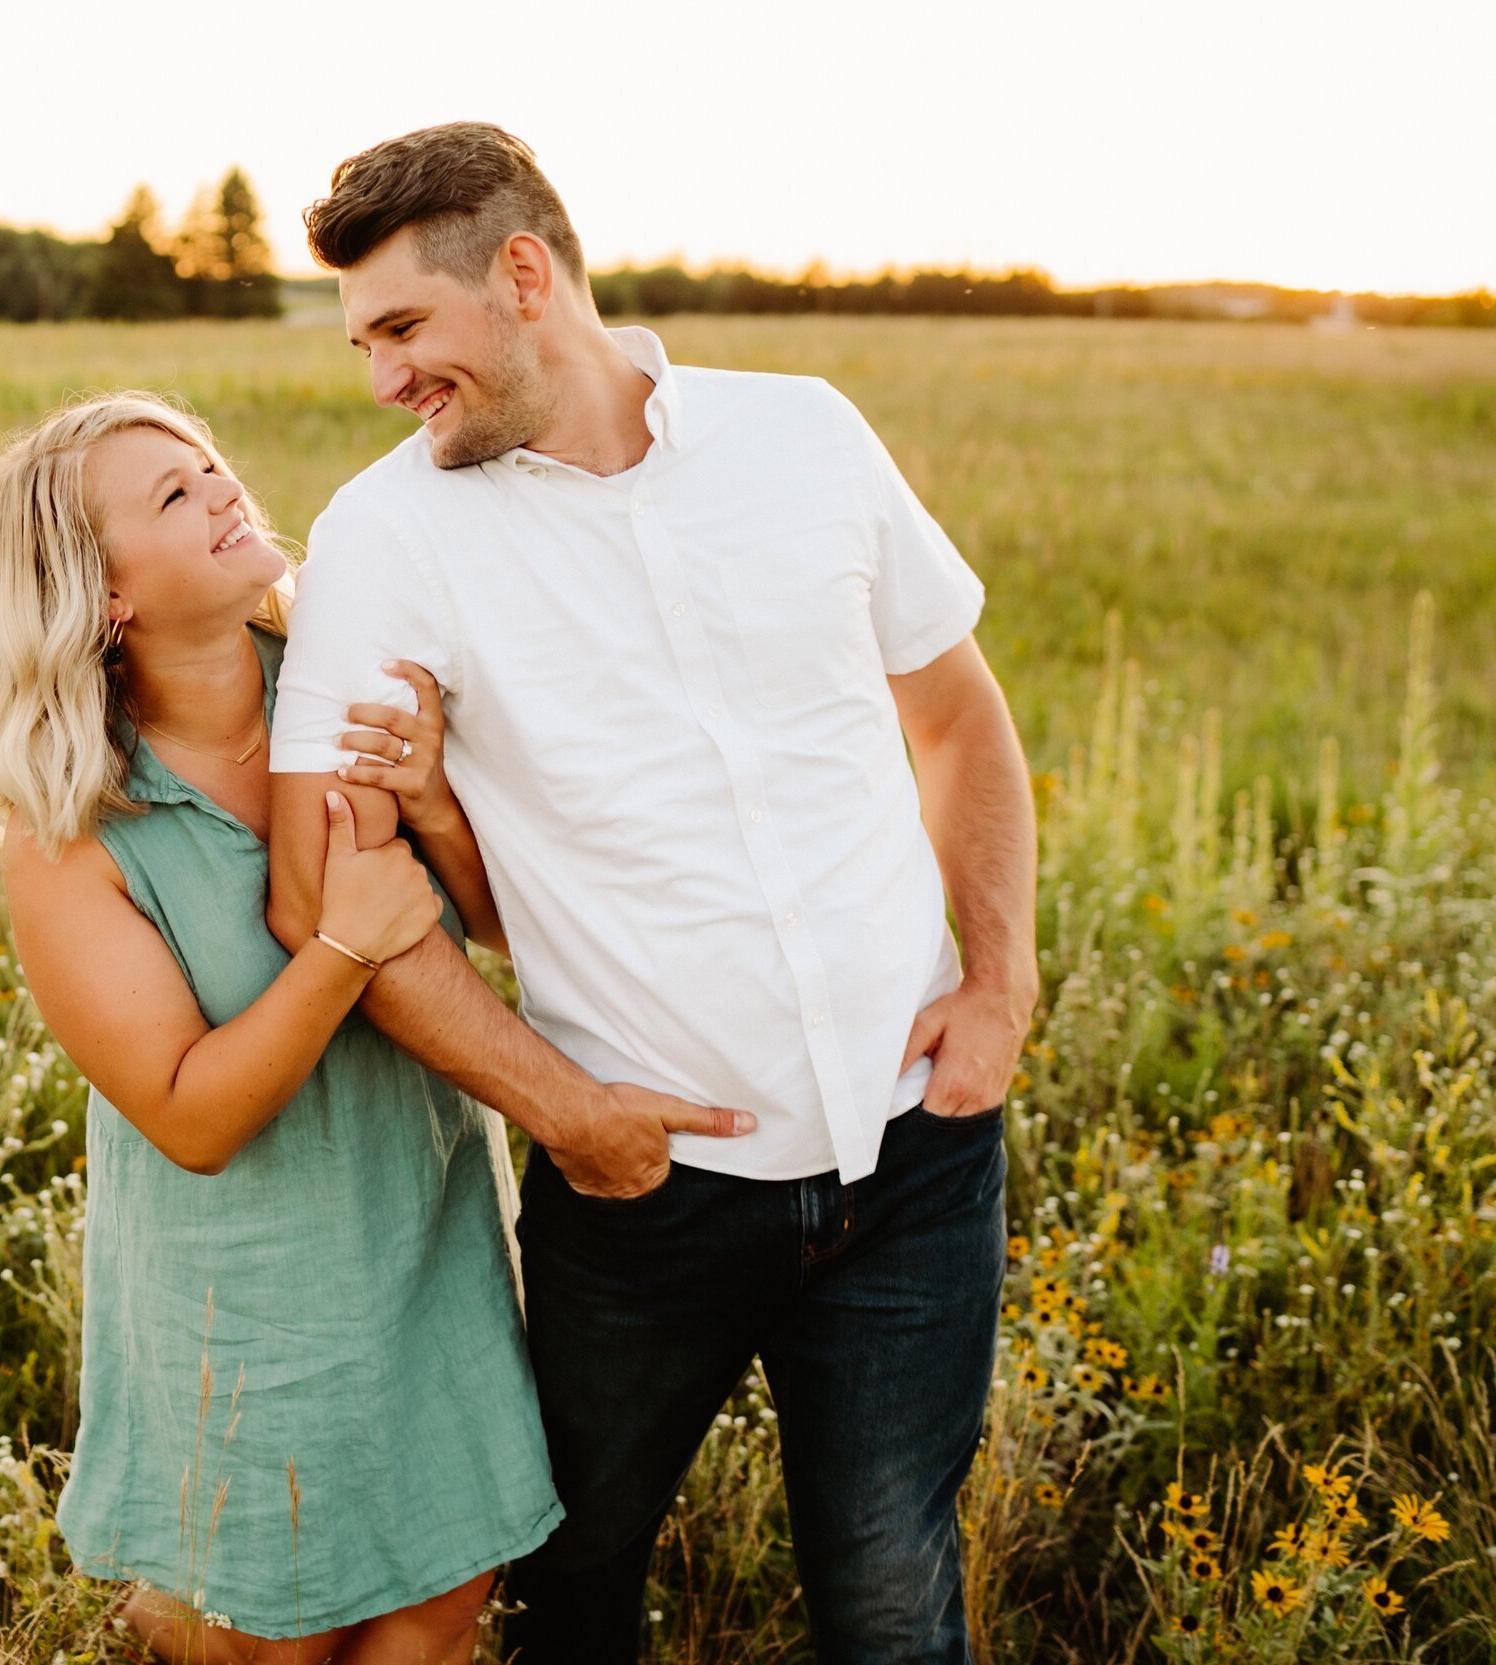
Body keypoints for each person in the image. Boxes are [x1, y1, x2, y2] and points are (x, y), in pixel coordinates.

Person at [264, 124, 1040, 1664]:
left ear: (527, 276)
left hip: (916, 1163)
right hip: (639, 1198)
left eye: (404, 329)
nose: (382, 382)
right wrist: (564, 1112)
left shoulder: (807, 435)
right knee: (578, 1584)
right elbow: (319, 894)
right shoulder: (387, 535)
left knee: (896, 1599)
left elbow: (956, 717)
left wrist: (1000, 984)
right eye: (361, 344)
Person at [0, 393, 719, 1660]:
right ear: (105, 598)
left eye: (209, 466)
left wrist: (439, 809)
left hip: (425, 1238)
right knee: (269, 1635)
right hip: (243, 1291)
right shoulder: (71, 823)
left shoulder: (343, 692)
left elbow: (502, 930)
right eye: (172, 499)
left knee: (443, 1590)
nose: (222, 492)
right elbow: (191, 1117)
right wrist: (342, 945)